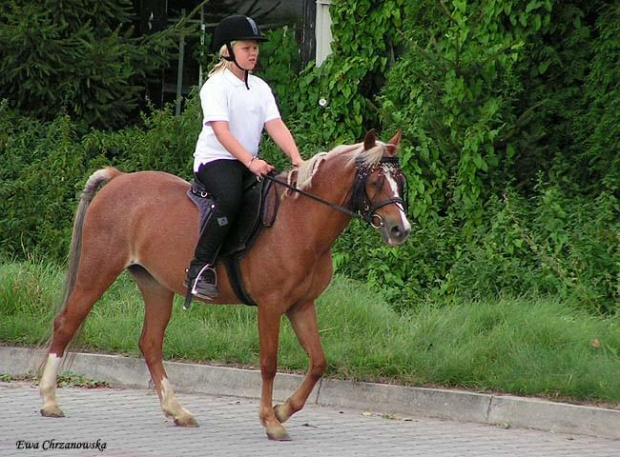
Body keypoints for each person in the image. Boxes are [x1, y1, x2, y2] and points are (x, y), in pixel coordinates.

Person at [185, 14, 303, 300]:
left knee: (274, 196)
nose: (253, 53)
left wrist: (298, 160)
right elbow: (222, 132)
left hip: (245, 162)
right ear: (228, 50)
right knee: (230, 199)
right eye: (246, 48)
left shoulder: (260, 88)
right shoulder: (215, 86)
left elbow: (275, 125)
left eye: (255, 48)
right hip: (215, 160)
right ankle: (199, 269)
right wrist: (251, 162)